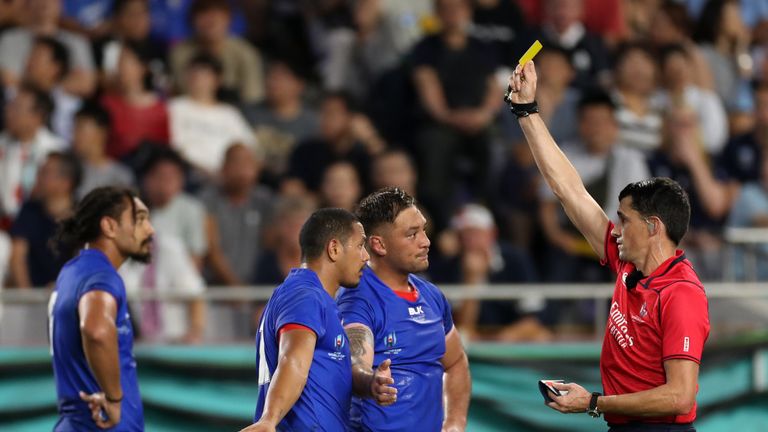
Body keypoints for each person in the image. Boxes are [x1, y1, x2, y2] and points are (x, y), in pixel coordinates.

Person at [507, 61, 710, 430]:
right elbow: (569, 191)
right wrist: (526, 111)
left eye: (624, 220)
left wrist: (594, 402)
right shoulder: (629, 265)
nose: (615, 228)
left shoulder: (681, 294)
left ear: (653, 227)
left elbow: (680, 395)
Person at [243, 208, 396, 432]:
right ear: (334, 249)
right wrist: (269, 419)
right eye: (360, 245)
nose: (366, 256)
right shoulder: (306, 296)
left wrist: (371, 383)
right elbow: (293, 359)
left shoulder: (308, 296)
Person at [337, 187, 470, 432]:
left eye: (423, 230)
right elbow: (354, 363)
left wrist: (454, 423)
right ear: (379, 245)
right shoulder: (358, 301)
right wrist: (371, 383)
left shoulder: (432, 296)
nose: (426, 241)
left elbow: (456, 362)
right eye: (412, 234)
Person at [49, 186, 154, 431]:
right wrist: (114, 399)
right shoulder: (102, 276)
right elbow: (95, 330)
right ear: (109, 226)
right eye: (139, 219)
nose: (150, 229)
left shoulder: (71, 271)